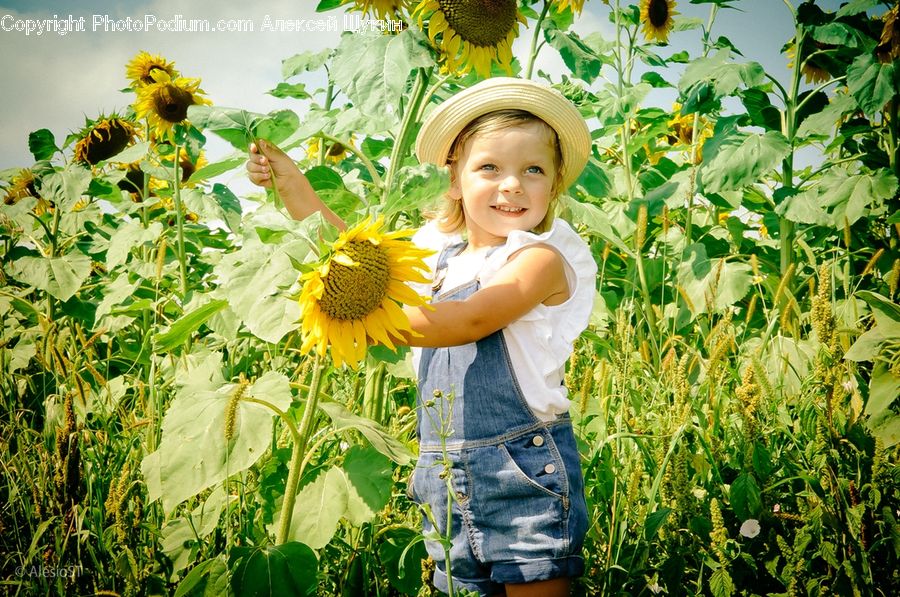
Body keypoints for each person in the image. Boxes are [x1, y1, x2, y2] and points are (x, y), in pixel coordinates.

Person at [247, 77, 596, 597]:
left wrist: (361, 309)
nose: (512, 185)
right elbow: (350, 254)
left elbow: (470, 321)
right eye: (489, 168)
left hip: (522, 468)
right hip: (442, 469)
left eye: (533, 170)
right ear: (454, 179)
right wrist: (293, 185)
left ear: (555, 184)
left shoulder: (541, 259)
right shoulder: (437, 255)